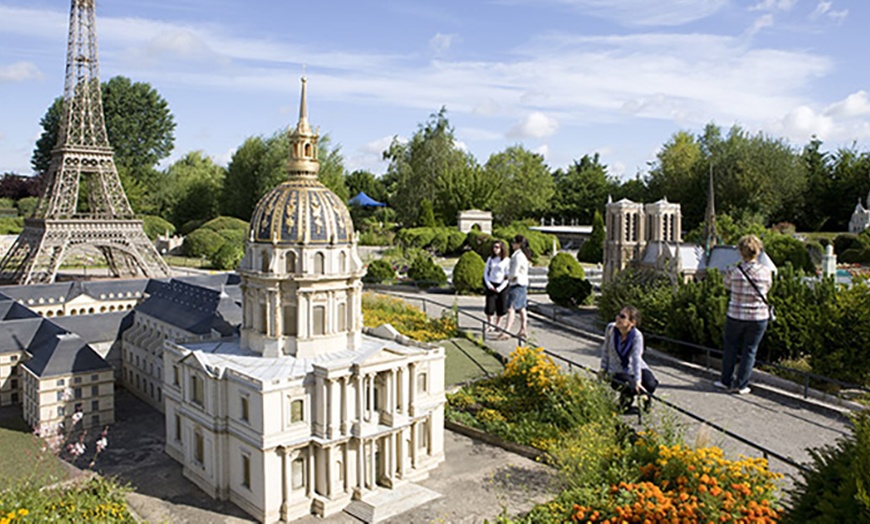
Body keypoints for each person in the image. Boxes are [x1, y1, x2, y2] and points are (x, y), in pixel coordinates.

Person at [715, 235, 773, 395]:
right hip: (758, 316)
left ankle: (725, 380)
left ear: (741, 252)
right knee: (750, 350)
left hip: (736, 314)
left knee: (730, 348)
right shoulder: (766, 272)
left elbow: (727, 286)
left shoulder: (734, 271)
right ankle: (741, 384)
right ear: (758, 251)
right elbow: (767, 288)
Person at [599, 305, 658, 411]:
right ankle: (625, 405)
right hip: (617, 369)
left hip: (636, 367)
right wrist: (603, 370)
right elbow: (605, 351)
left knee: (650, 384)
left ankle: (647, 400)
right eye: (618, 315)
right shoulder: (611, 329)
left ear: (632, 322)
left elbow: (636, 358)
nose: (618, 318)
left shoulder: (637, 336)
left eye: (622, 316)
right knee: (629, 386)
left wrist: (638, 380)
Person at [500, 235, 531, 340]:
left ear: (518, 244)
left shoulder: (518, 256)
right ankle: (523, 329)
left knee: (511, 308)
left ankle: (507, 331)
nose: (512, 244)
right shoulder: (521, 255)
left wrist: (507, 277)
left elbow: (514, 272)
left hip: (517, 283)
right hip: (521, 283)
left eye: (514, 243)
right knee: (522, 307)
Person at [483, 240, 510, 334]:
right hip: (491, 283)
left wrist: (500, 288)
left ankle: (498, 325)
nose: (495, 249)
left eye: (497, 247)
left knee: (501, 306)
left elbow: (507, 276)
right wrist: (488, 284)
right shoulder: (490, 259)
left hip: (502, 285)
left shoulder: (506, 260)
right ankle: (490, 324)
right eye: (494, 247)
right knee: (490, 306)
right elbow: (486, 272)